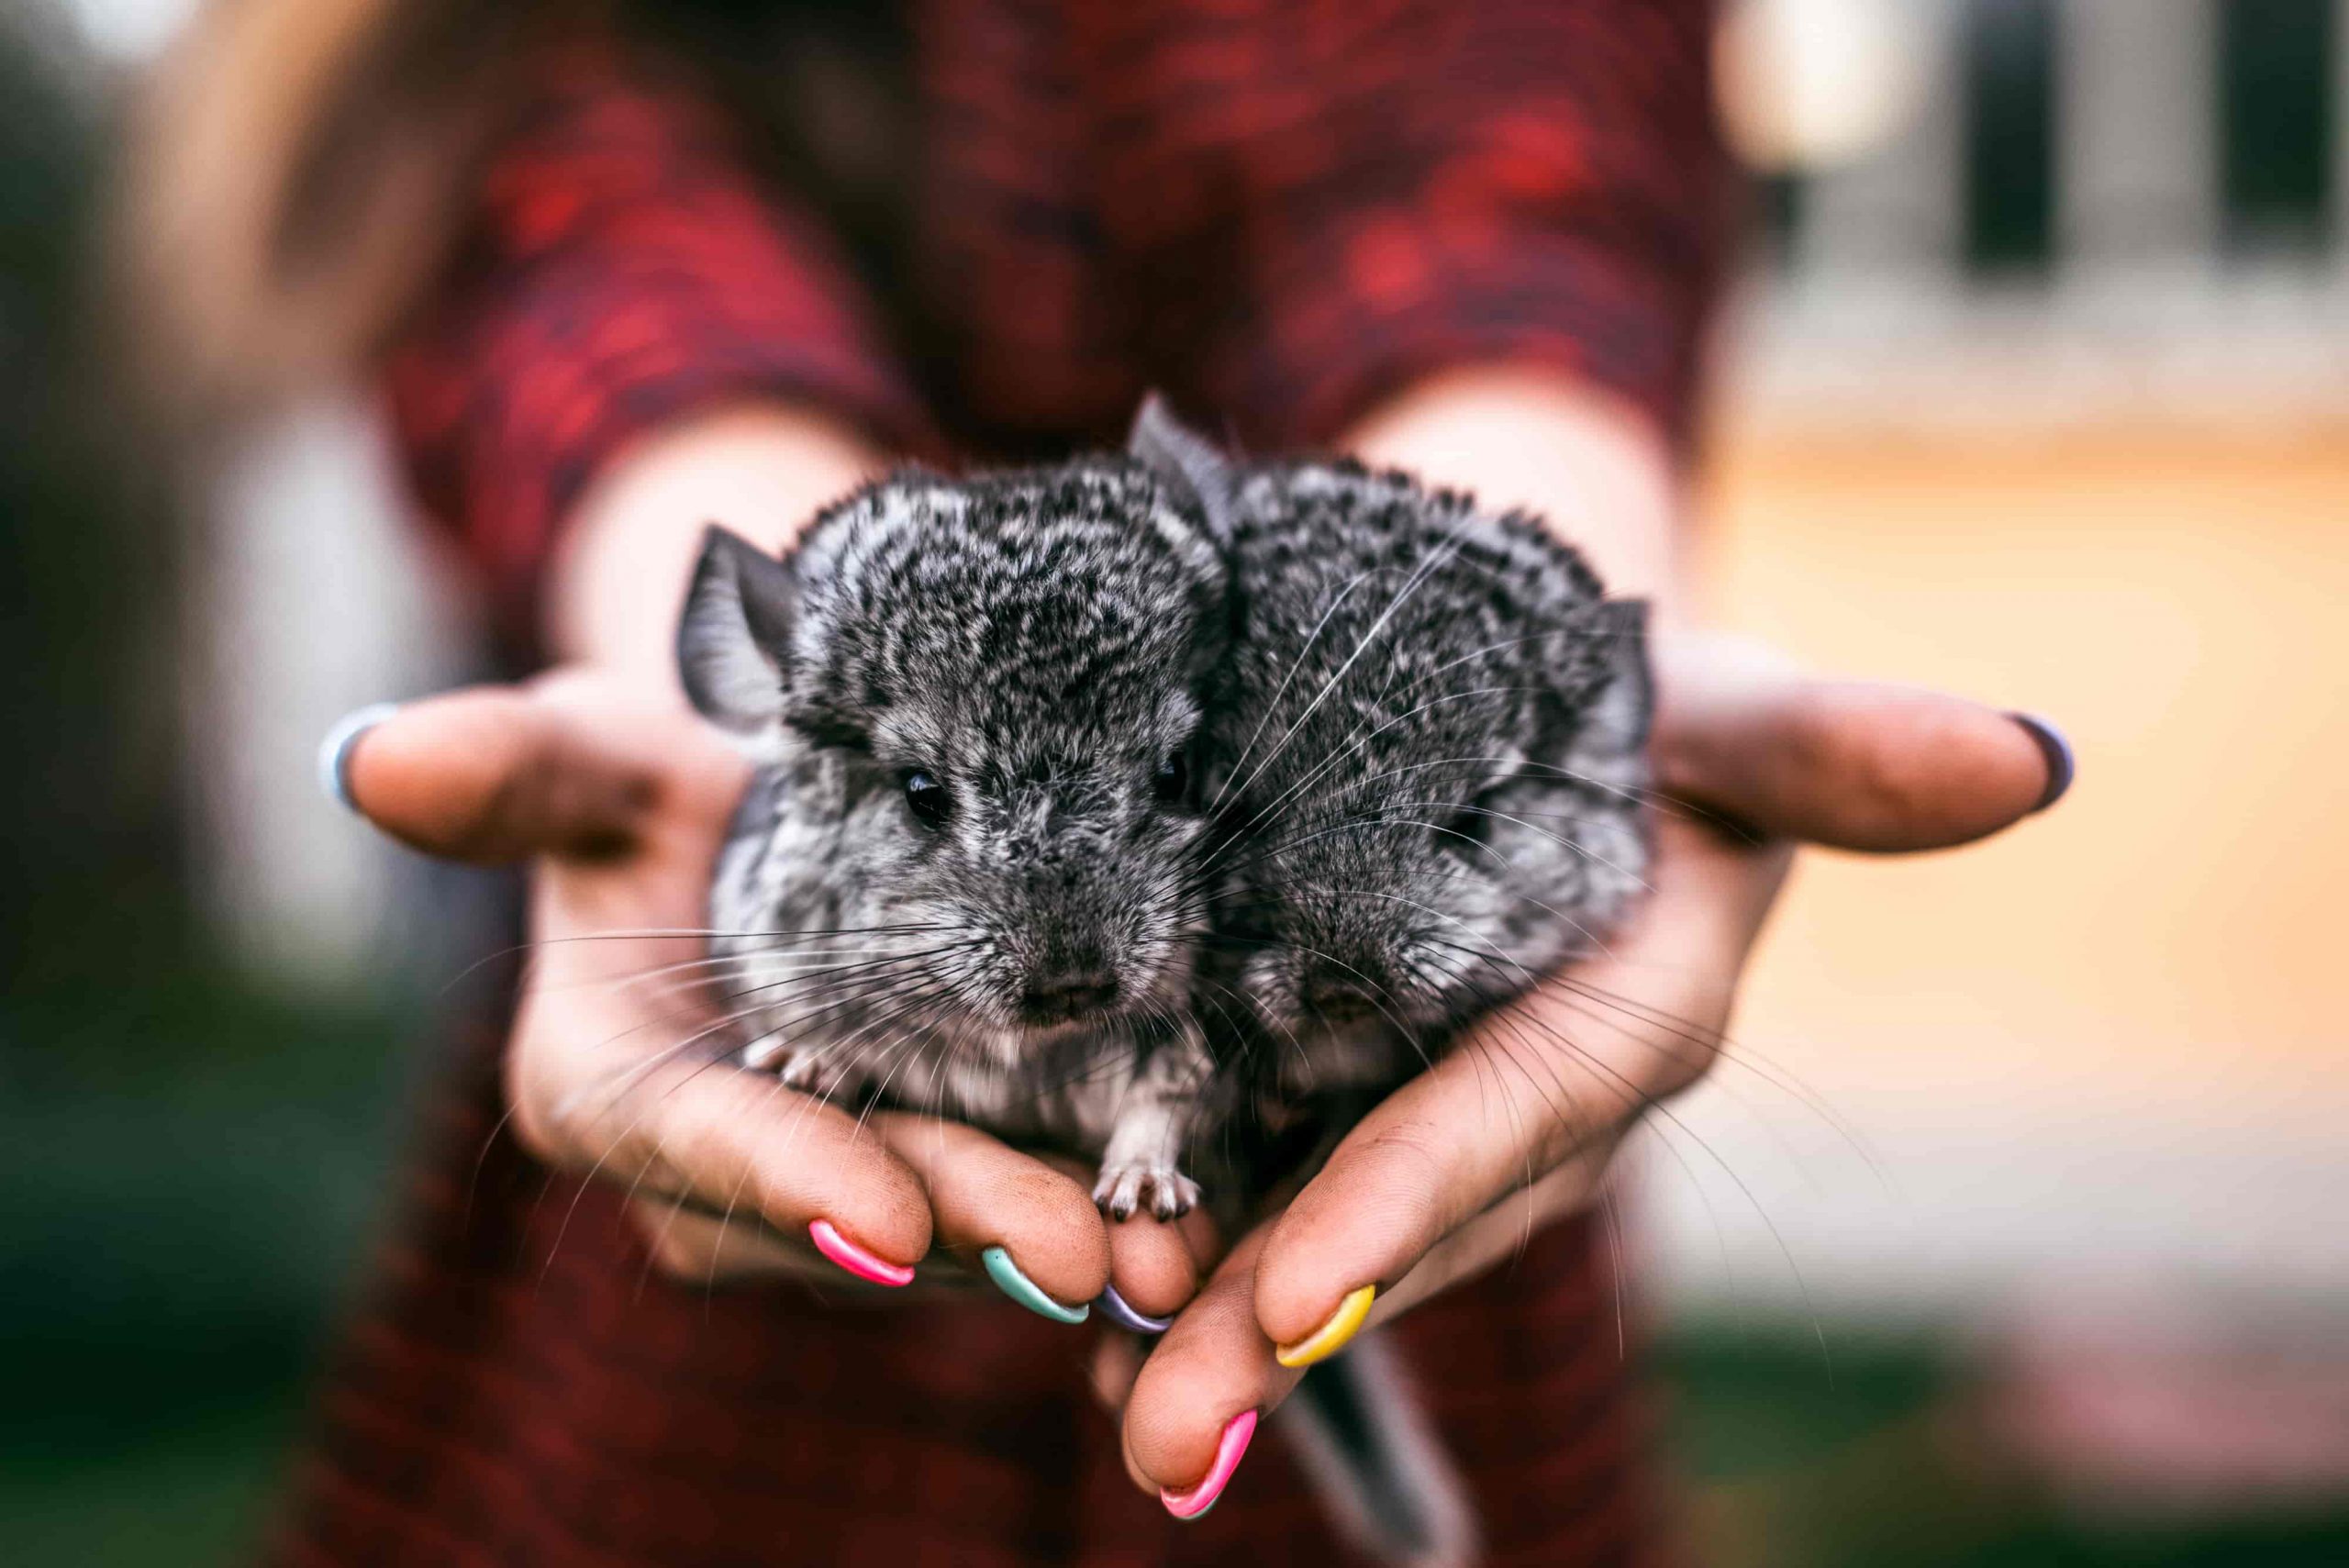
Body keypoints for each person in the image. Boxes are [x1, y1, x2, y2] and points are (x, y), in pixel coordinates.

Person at [135, 2, 2073, 1562]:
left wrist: (1479, 664)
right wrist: (710, 569)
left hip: (1414, 1311)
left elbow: (1504, 166)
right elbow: (578, 235)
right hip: (688, 1427)